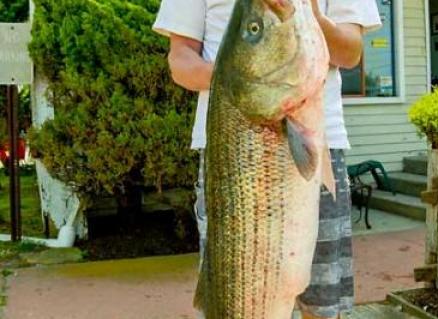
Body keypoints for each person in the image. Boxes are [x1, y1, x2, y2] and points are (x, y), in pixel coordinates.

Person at [153, 1, 381, 318]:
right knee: (232, 289)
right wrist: (241, 78)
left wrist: (312, 16)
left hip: (321, 142)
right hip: (231, 150)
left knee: (324, 304)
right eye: (255, 27)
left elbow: (350, 52)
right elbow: (180, 60)